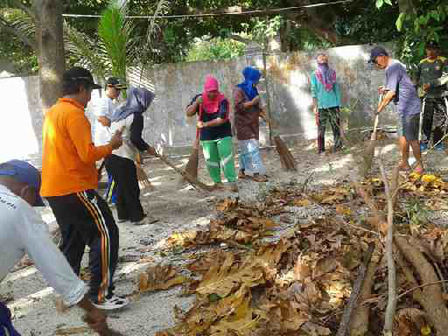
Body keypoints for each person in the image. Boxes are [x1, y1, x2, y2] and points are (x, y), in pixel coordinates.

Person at [40, 67, 129, 310]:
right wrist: (111, 145)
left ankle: (68, 294)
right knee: (106, 233)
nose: (90, 97)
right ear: (80, 89)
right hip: (74, 187)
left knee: (74, 239)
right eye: (89, 91)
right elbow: (87, 154)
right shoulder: (74, 114)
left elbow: (69, 153)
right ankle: (101, 295)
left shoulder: (54, 112)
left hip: (53, 188)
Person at [0, 160, 109, 335]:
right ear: (27, 191)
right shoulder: (19, 210)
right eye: (33, 201)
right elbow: (55, 268)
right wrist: (92, 310)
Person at [107, 87, 158, 225]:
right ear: (142, 101)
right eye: (147, 101)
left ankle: (123, 214)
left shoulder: (121, 110)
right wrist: (148, 148)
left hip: (109, 155)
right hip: (122, 156)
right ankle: (137, 217)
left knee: (121, 186)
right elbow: (135, 138)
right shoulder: (136, 115)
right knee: (131, 188)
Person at [370, 46, 424, 174]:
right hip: (402, 107)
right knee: (402, 136)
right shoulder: (394, 66)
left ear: (382, 56)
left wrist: (379, 108)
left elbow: (391, 93)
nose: (375, 64)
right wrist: (385, 88)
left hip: (410, 108)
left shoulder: (393, 67)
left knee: (411, 138)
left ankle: (420, 165)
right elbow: (396, 86)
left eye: (375, 61)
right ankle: (405, 163)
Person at [186, 75, 238, 191]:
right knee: (211, 159)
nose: (212, 94)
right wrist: (196, 104)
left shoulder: (223, 100)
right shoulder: (199, 98)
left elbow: (221, 119)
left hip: (223, 133)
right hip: (207, 135)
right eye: (210, 91)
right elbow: (188, 113)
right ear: (205, 90)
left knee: (226, 156)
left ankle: (232, 181)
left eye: (215, 91)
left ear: (217, 90)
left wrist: (205, 124)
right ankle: (217, 182)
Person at [94, 78, 127, 204]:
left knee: (113, 171)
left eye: (120, 90)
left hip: (111, 142)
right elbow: (101, 118)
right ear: (108, 86)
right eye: (116, 89)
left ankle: (115, 198)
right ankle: (111, 198)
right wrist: (116, 126)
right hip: (106, 142)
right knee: (114, 172)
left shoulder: (111, 102)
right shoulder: (103, 101)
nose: (118, 92)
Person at [234, 66, 268, 182]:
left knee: (245, 148)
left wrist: (265, 117)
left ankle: (242, 171)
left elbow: (257, 107)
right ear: (251, 78)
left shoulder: (253, 90)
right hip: (243, 124)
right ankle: (255, 173)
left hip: (252, 123)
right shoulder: (239, 90)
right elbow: (238, 107)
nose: (258, 82)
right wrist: (252, 102)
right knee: (252, 148)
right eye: (256, 79)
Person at [416, 41, 448, 151]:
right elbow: (417, 79)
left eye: (433, 49)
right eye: (428, 49)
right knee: (426, 119)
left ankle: (437, 142)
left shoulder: (443, 61)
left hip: (440, 96)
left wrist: (430, 84)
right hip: (427, 97)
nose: (430, 51)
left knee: (441, 120)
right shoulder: (421, 63)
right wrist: (420, 87)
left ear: (437, 50)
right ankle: (424, 142)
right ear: (426, 50)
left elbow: (445, 77)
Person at [311, 53, 343, 154]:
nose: (323, 59)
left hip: (334, 105)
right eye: (320, 58)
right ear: (317, 61)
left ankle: (338, 147)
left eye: (324, 58)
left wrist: (339, 104)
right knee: (321, 129)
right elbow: (313, 91)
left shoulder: (332, 73)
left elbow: (336, 89)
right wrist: (315, 106)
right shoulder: (314, 74)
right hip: (321, 106)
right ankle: (321, 150)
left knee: (336, 128)